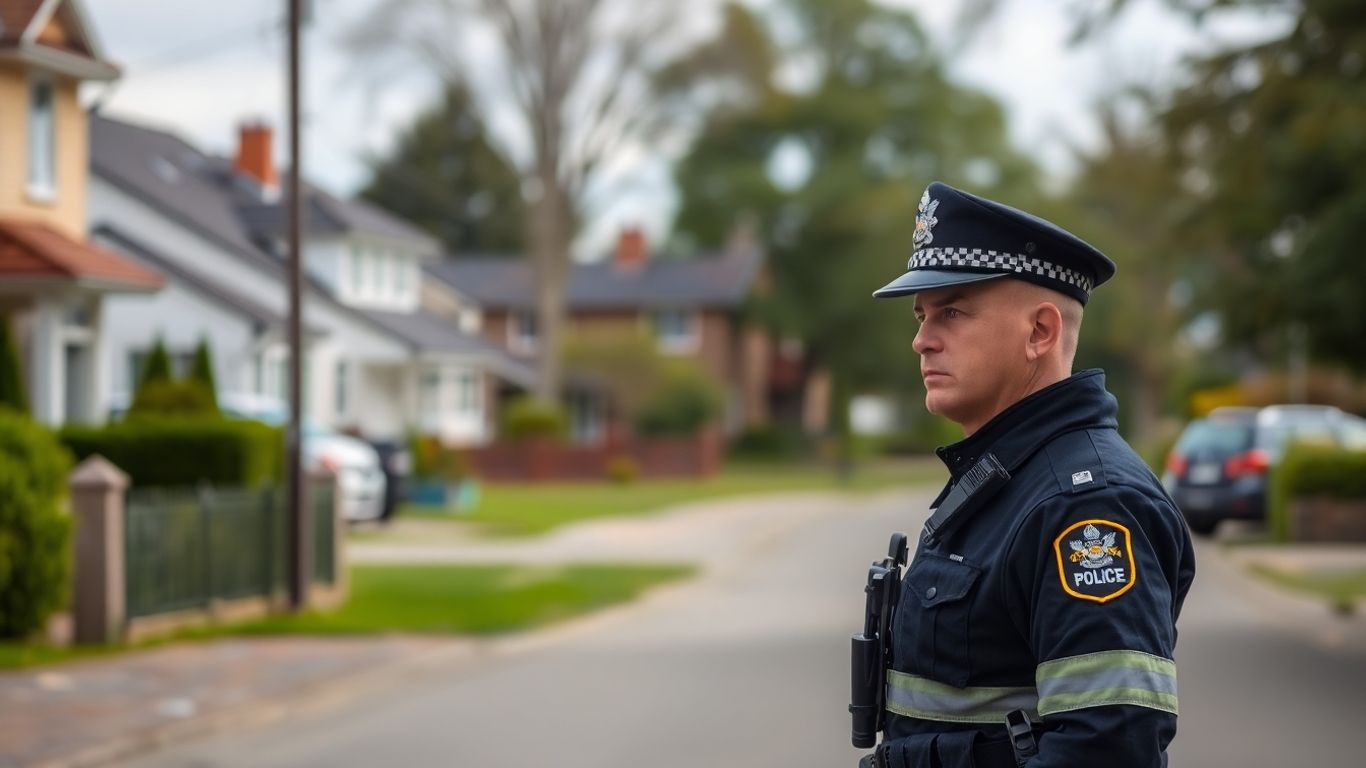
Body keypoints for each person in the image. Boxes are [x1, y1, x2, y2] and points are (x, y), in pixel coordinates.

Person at [861, 182, 1196, 767]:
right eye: (921, 317)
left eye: (952, 311)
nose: (921, 339)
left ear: (1040, 332)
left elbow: (1108, 749)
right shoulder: (1005, 479)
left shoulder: (1088, 506)